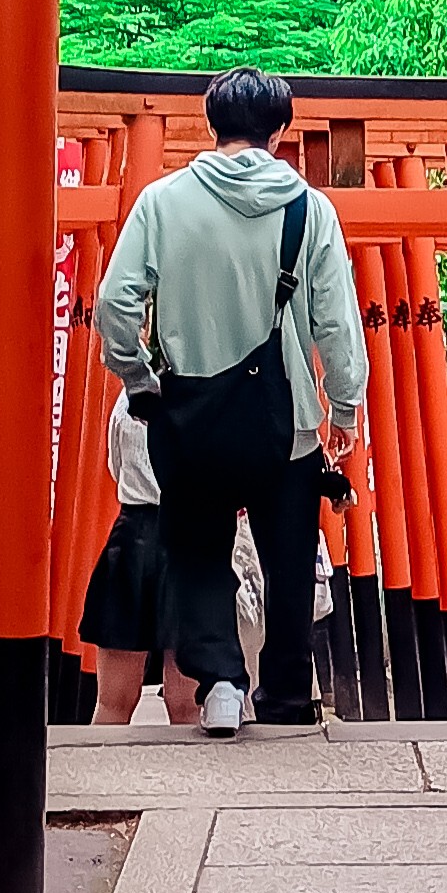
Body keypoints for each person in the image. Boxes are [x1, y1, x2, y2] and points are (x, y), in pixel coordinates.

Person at [97, 66, 368, 736]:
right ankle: (282, 696)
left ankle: (221, 687)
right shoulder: (310, 210)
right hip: (289, 425)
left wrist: (138, 379)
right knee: (284, 555)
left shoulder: (162, 202)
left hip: (190, 419)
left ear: (212, 123)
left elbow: (112, 305)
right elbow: (336, 323)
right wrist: (345, 408)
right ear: (279, 130)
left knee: (197, 550)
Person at [80, 399, 201, 725]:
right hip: (190, 537)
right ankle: (191, 776)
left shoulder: (126, 402)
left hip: (134, 535)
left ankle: (100, 772)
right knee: (188, 704)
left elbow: (115, 466)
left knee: (112, 703)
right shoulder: (210, 394)